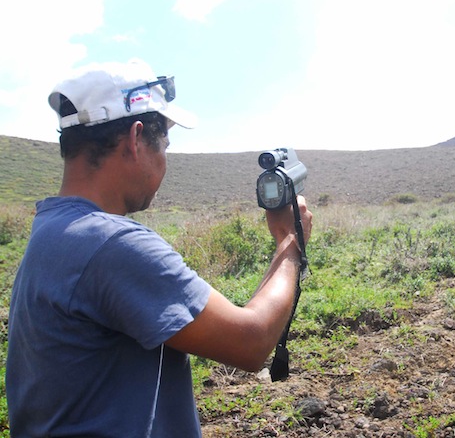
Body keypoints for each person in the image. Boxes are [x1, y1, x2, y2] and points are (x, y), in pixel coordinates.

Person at [5, 59, 312, 437]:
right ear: (136, 139)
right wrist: (290, 241)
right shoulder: (111, 244)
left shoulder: (52, 229)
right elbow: (251, 341)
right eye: (164, 143)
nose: (165, 158)